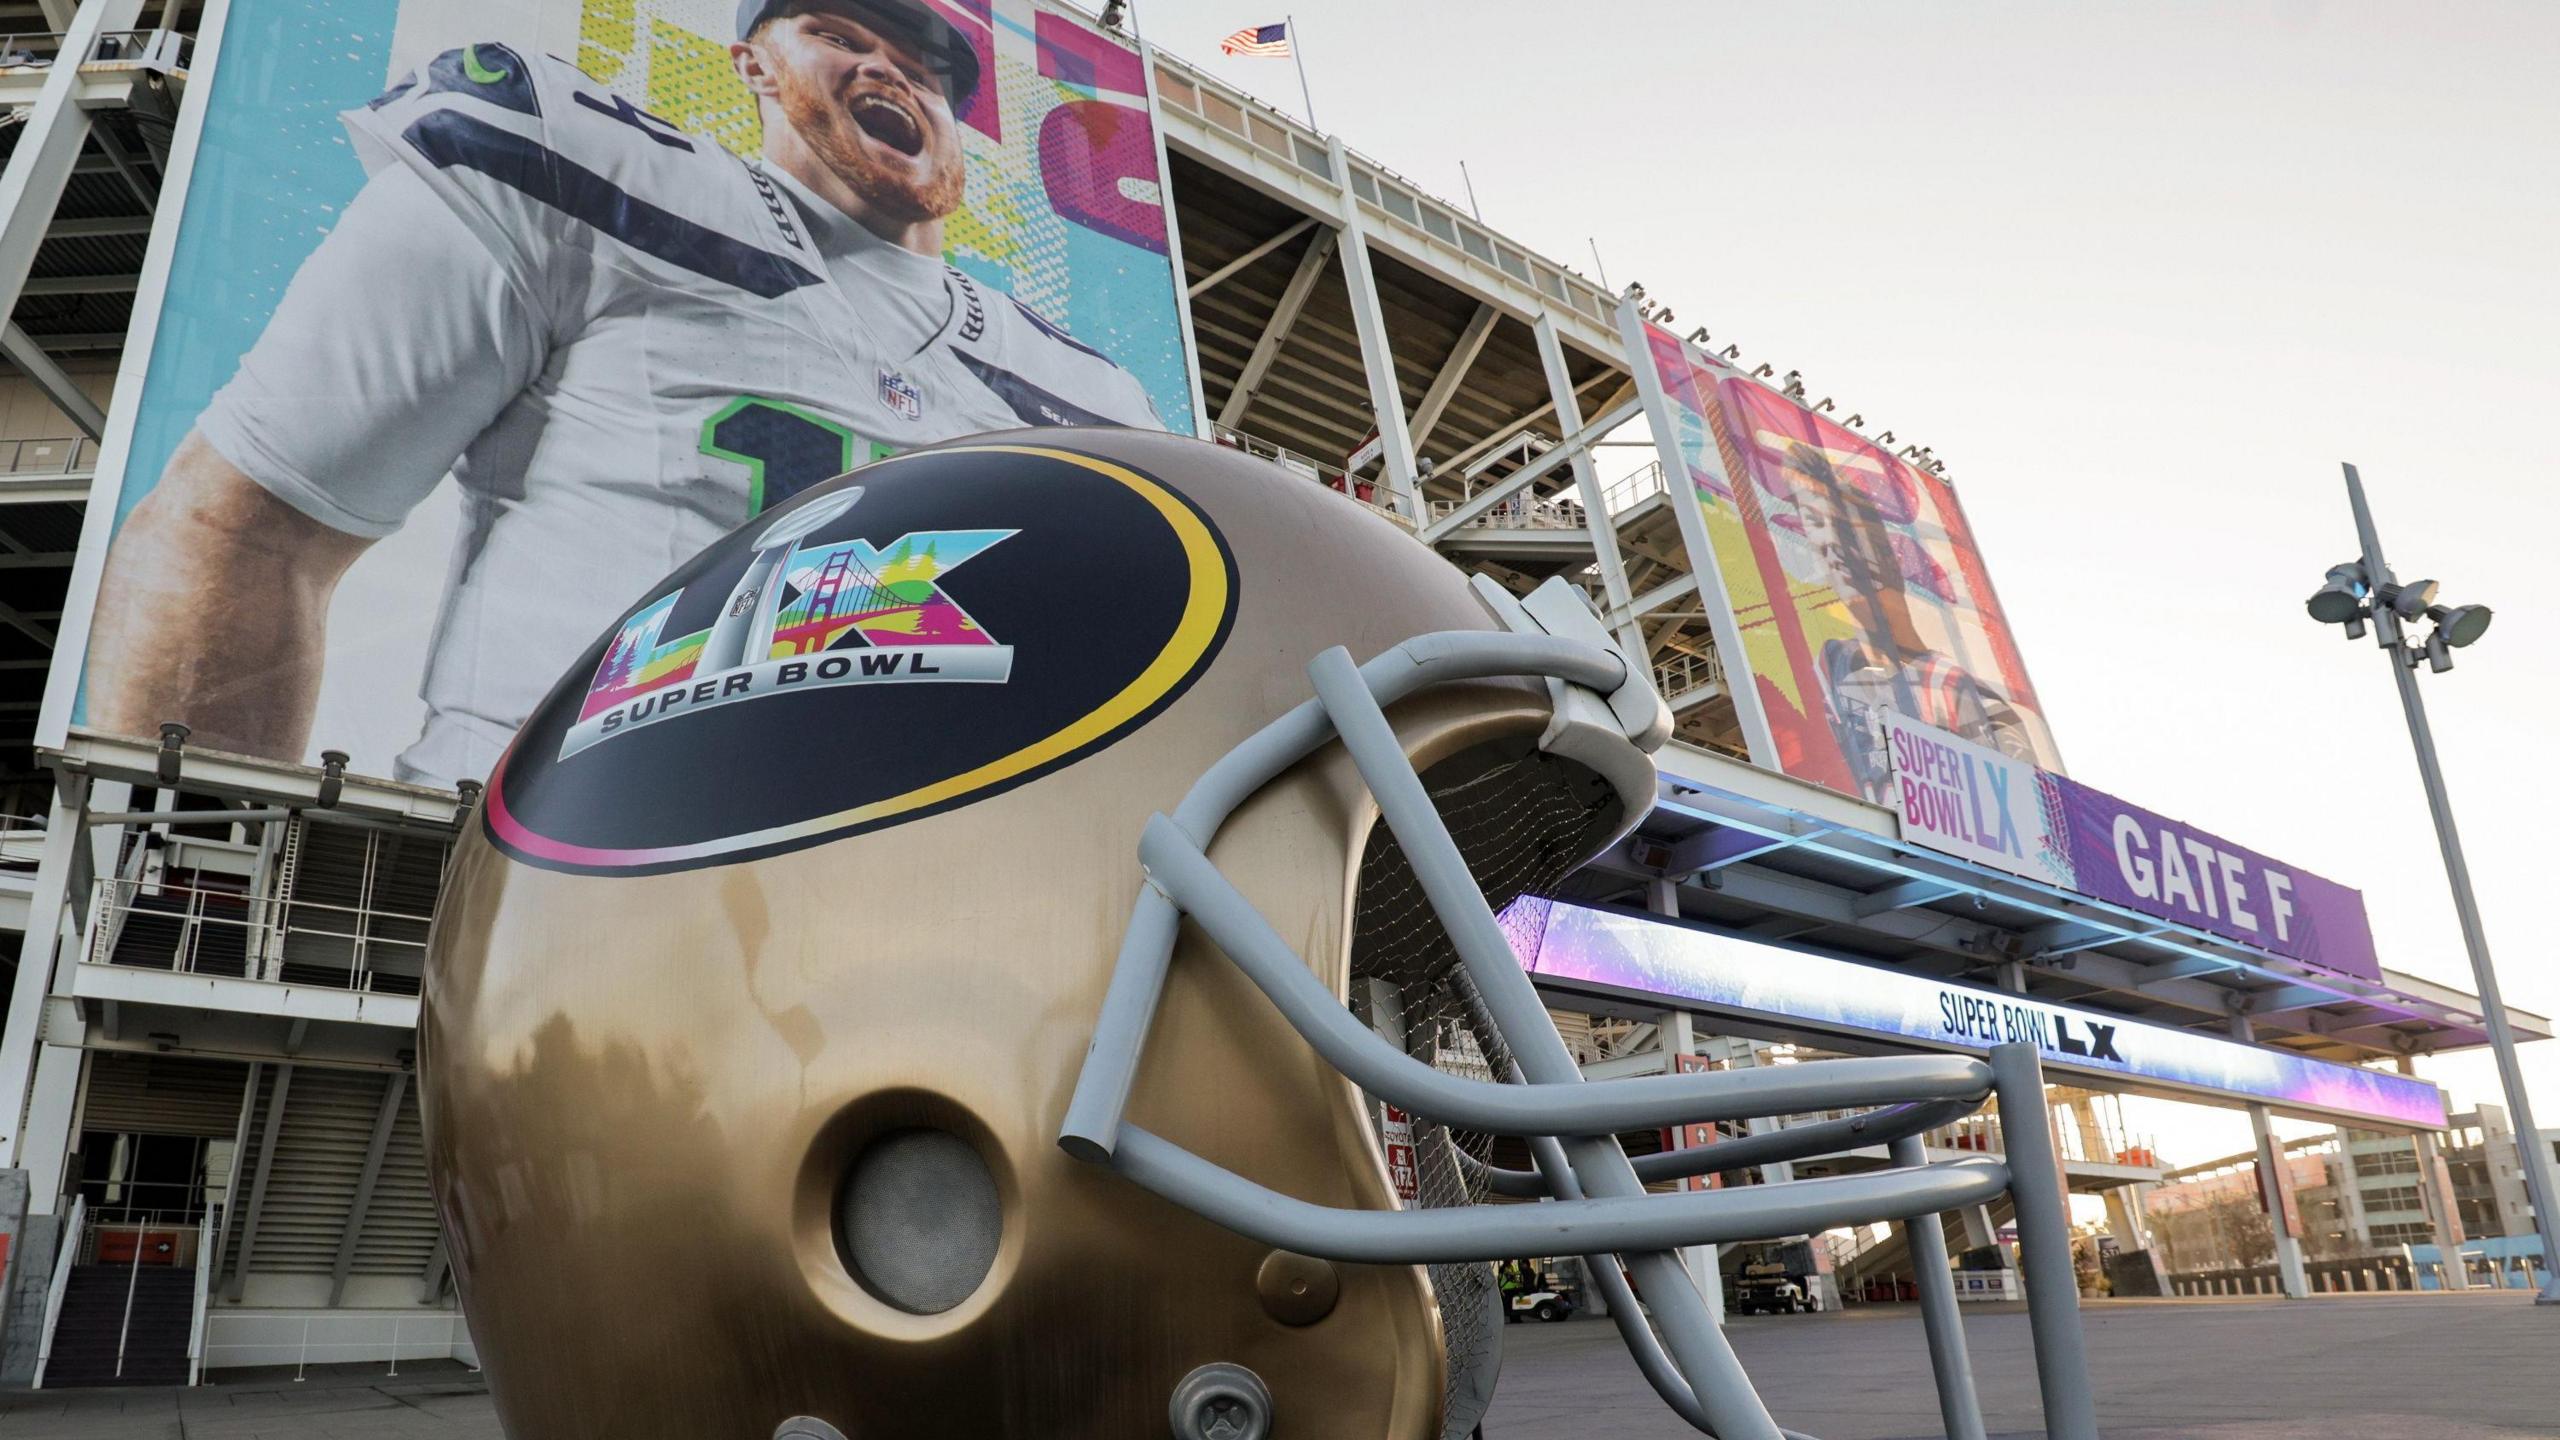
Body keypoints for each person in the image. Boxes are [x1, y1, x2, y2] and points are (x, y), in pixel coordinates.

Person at [88, 0, 1163, 788]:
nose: (890, 70)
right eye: (841, 34)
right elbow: (246, 524)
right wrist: (204, 887)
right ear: (752, 65)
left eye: (923, 67)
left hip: (920, 930)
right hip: (547, 902)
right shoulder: (582, 164)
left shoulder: (1088, 393)